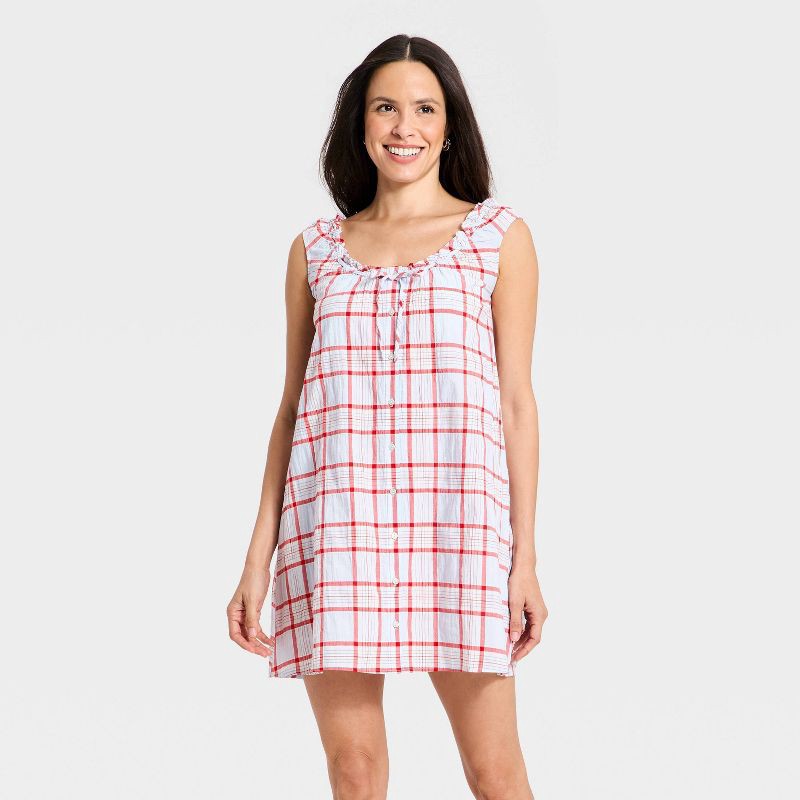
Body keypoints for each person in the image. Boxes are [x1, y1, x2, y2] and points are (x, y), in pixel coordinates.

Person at [227, 34, 545, 800]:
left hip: (459, 529)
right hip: (335, 528)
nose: (406, 127)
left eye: (425, 109)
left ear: (450, 125)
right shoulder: (316, 251)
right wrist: (256, 560)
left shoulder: (497, 238)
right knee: (356, 773)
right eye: (386, 107)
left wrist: (525, 558)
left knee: (495, 774)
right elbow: (292, 409)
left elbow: (516, 403)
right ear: (361, 123)